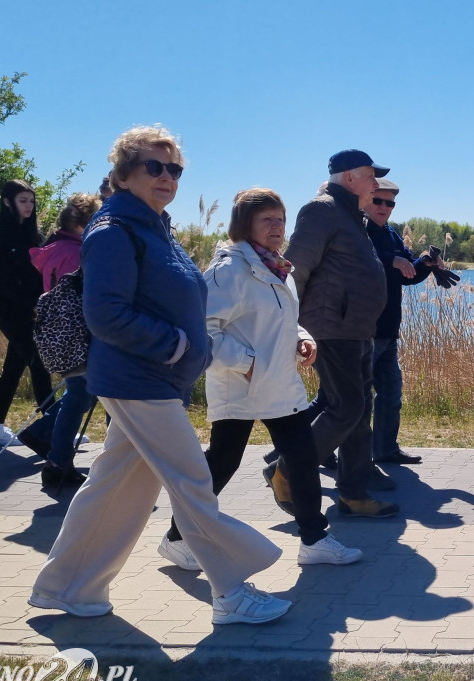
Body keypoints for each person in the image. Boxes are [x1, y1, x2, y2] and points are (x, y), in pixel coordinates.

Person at [30, 126, 289, 625]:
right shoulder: (113, 231)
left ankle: (67, 588)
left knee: (114, 488)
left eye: (174, 169)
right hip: (137, 379)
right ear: (124, 174)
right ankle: (231, 592)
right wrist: (176, 346)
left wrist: (192, 349)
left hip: (155, 379)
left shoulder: (154, 227)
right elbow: (105, 313)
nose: (166, 176)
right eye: (154, 166)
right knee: (192, 483)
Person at [157, 187, 361, 570]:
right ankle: (177, 537)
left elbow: (281, 321)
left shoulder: (277, 267)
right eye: (267, 219)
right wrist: (247, 362)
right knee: (223, 463)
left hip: (278, 386)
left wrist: (302, 339)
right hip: (240, 386)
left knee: (302, 458)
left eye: (280, 219)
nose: (277, 227)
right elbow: (203, 330)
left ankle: (314, 540)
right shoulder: (228, 271)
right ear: (244, 224)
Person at [283, 149, 398, 517]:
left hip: (358, 330)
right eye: (370, 176)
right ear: (349, 177)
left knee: (359, 411)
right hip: (330, 328)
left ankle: (353, 493)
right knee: (346, 407)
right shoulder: (322, 210)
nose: (376, 184)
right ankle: (288, 469)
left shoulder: (351, 216)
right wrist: (293, 327)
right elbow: (295, 270)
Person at [0, 180, 53, 447]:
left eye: (31, 201)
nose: (29, 206)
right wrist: (23, 304)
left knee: (14, 368)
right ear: (7, 202)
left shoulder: (31, 233)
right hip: (9, 312)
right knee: (38, 363)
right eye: (22, 201)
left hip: (31, 311)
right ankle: (54, 429)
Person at [27, 193, 102, 488]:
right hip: (78, 334)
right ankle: (57, 461)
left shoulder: (56, 249)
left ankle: (52, 450)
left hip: (63, 335)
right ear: (84, 224)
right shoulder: (76, 253)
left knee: (79, 396)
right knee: (79, 398)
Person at [366, 178, 437, 465]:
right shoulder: (357, 231)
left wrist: (426, 263)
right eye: (378, 201)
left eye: (390, 203)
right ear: (366, 200)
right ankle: (303, 450)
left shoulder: (392, 234)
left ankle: (385, 450)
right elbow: (360, 261)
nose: (384, 207)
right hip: (363, 331)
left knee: (391, 393)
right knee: (348, 400)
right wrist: (391, 261)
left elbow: (410, 275)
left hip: (388, 330)